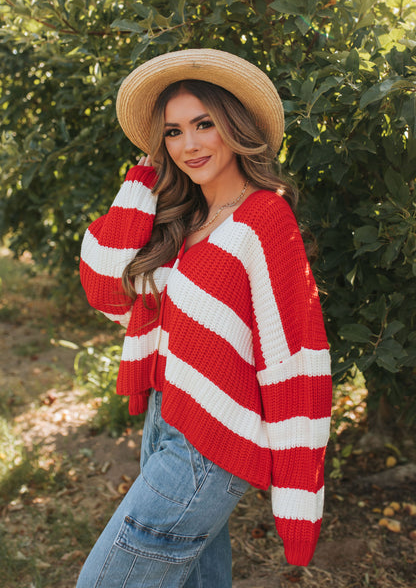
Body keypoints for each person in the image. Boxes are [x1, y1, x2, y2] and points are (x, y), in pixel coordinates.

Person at [77, 48, 332, 587]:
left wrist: (297, 499)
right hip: (164, 422)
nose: (189, 145)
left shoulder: (265, 219)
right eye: (172, 132)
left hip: (208, 450)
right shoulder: (182, 216)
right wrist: (147, 170)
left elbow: (294, 359)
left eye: (204, 124)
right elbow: (105, 285)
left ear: (236, 127)